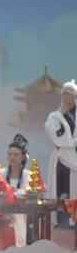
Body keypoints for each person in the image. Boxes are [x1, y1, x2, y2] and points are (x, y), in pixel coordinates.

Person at [45, 79, 77, 228]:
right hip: (60, 157)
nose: (67, 97)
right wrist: (61, 113)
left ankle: (73, 220)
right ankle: (61, 221)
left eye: (70, 94)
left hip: (75, 157)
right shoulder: (55, 116)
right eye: (64, 93)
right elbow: (51, 131)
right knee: (60, 189)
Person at [0, 134, 31, 246]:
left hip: (20, 215)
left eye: (16, 154)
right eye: (10, 154)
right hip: (2, 214)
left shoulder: (28, 175)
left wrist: (9, 192)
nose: (12, 157)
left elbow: (26, 193)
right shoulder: (1, 173)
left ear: (23, 157)